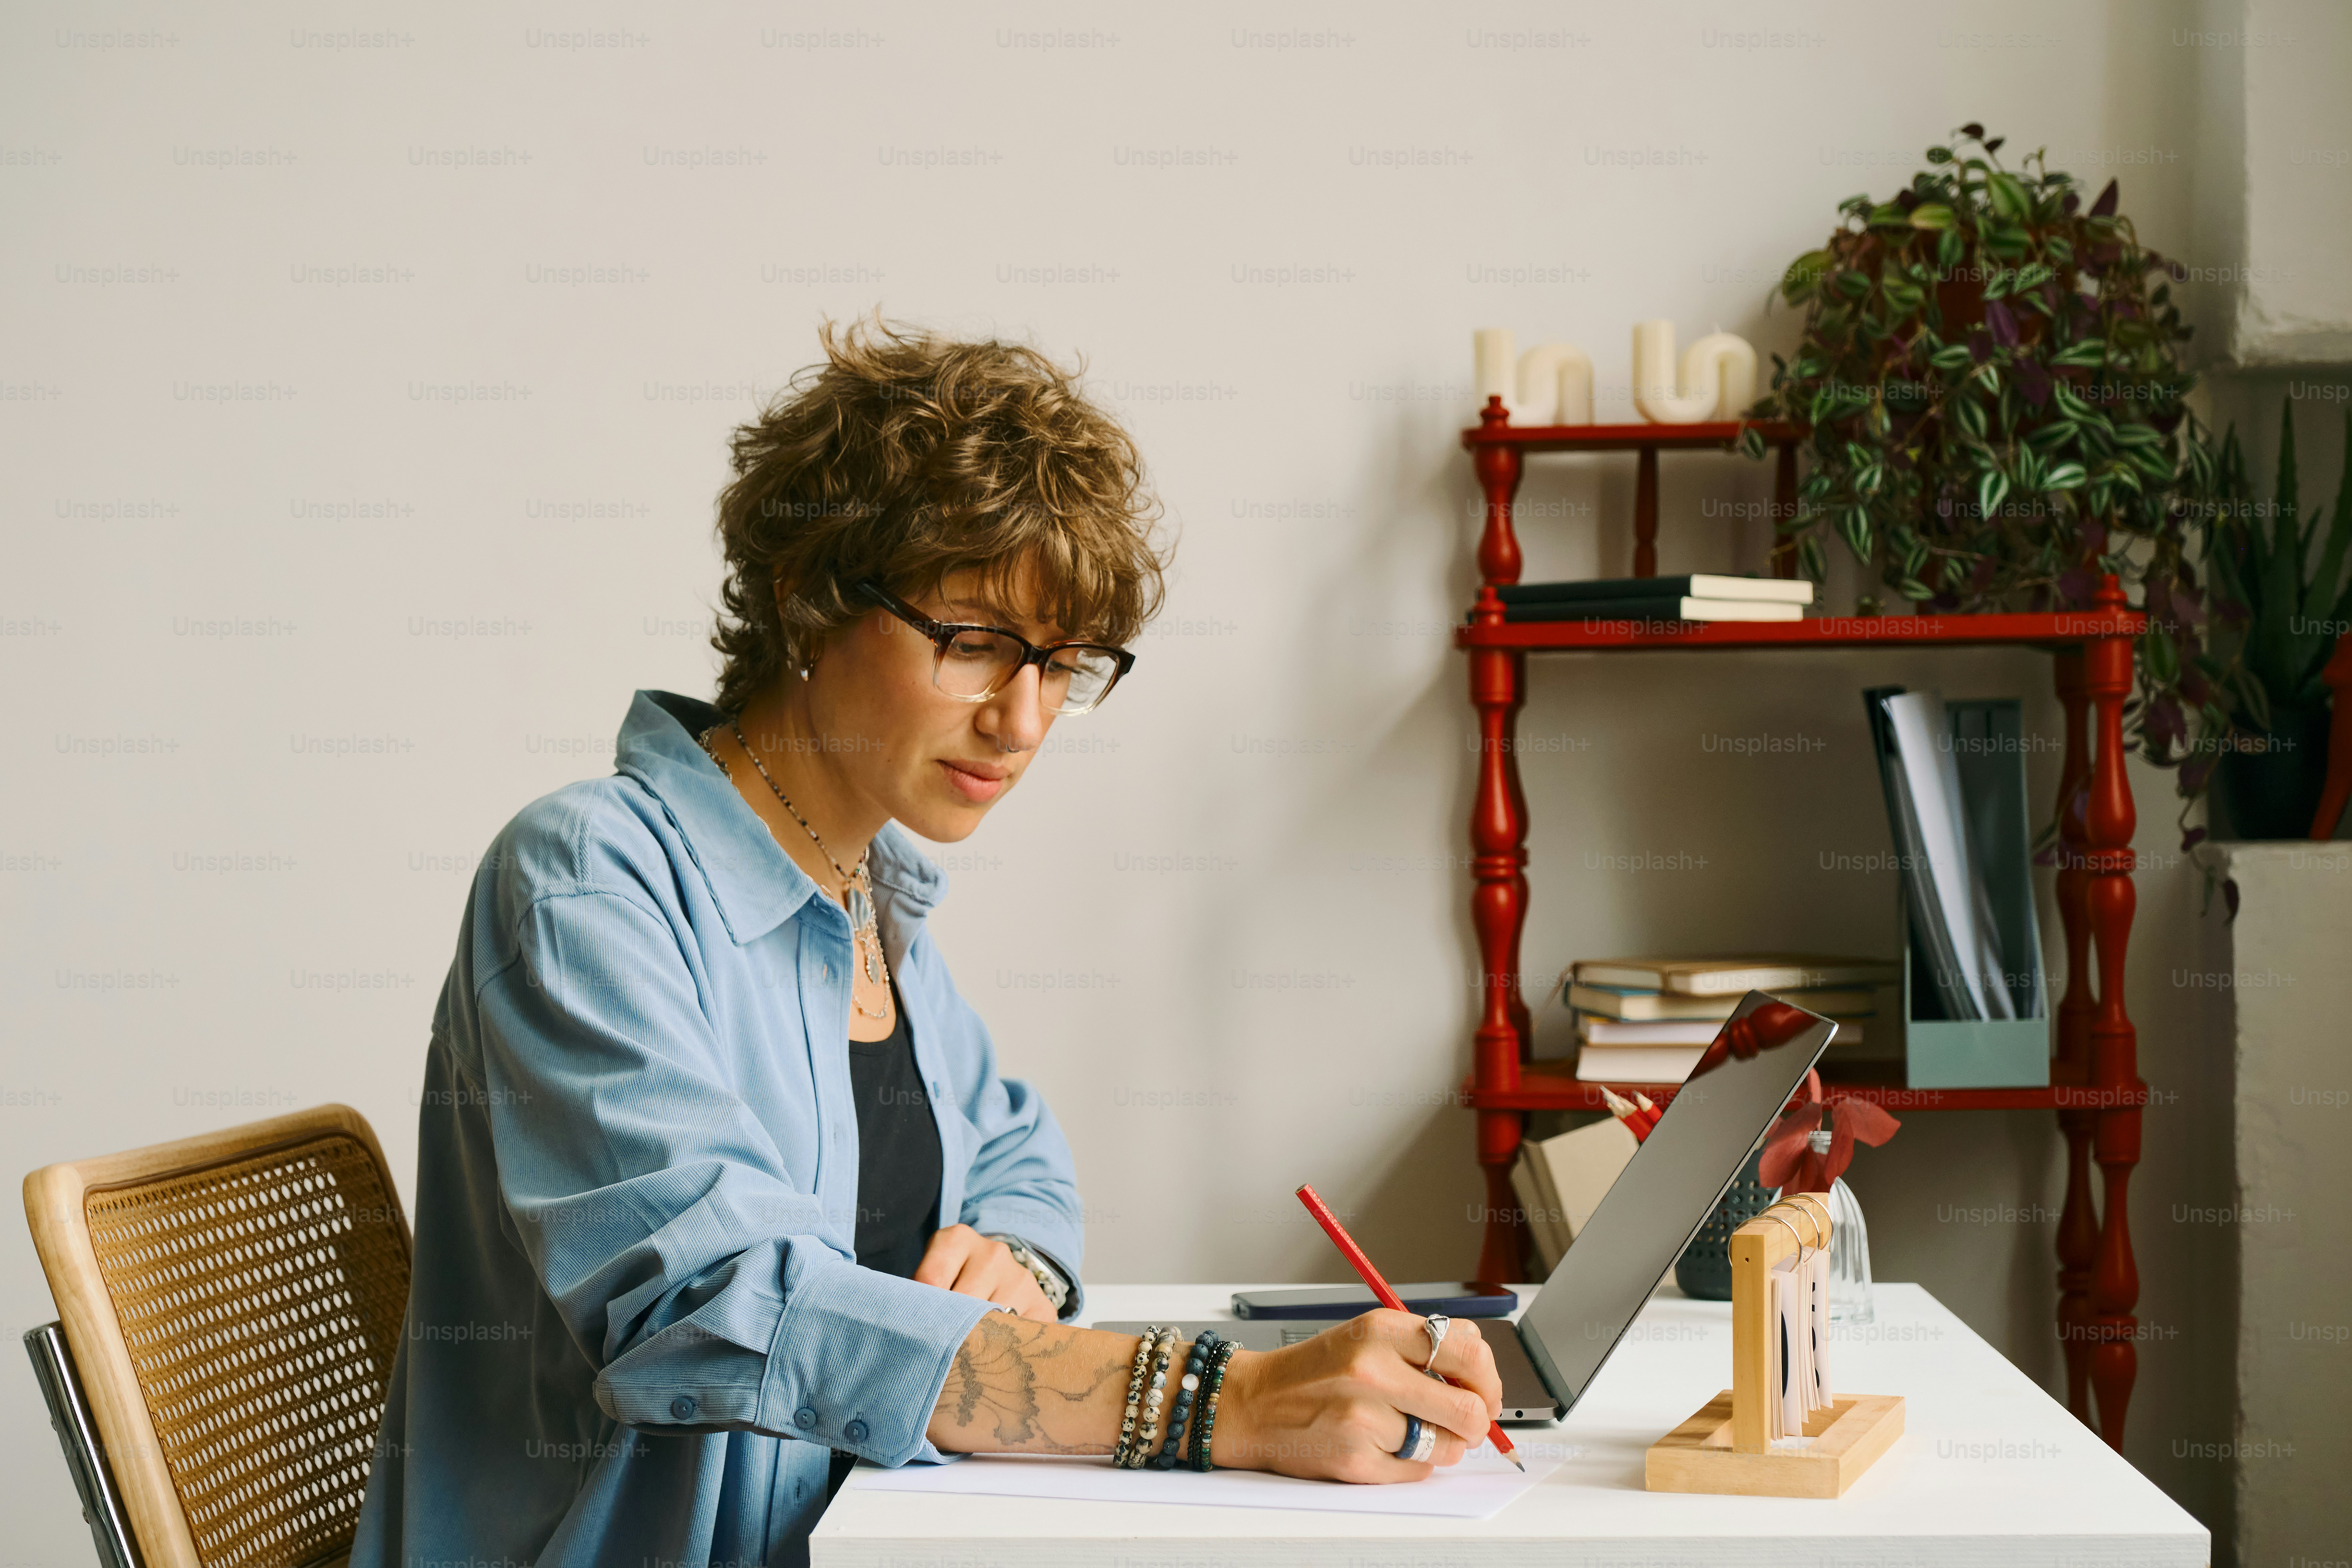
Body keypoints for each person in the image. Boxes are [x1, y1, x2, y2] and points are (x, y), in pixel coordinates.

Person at [351, 320, 1501, 1568]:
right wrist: (1215, 1400)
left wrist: (1013, 1256)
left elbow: (1020, 1150)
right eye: (974, 644)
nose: (1022, 720)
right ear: (808, 594)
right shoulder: (588, 881)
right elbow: (721, 1307)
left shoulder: (870, 893)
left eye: (1063, 666)